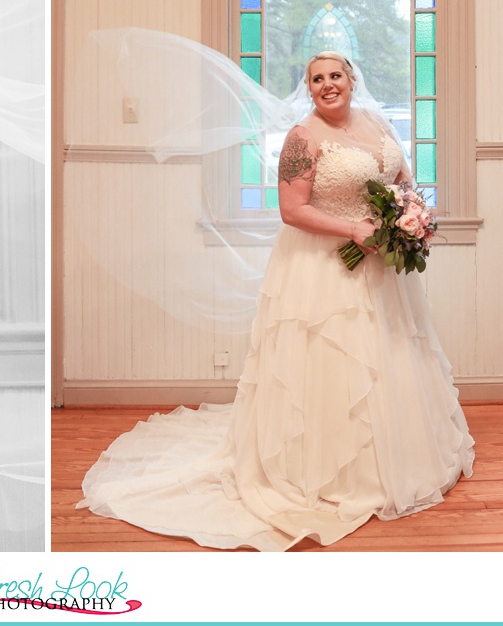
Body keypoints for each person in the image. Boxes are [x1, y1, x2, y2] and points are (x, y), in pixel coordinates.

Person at [78, 51, 475, 551]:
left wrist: (411, 215)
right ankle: (330, 473)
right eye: (316, 80)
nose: (327, 85)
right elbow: (292, 209)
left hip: (382, 271)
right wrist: (355, 228)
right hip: (322, 269)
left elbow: (403, 184)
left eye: (335, 76)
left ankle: (397, 462)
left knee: (389, 358)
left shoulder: (377, 124)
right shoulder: (302, 138)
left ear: (353, 80)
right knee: (329, 363)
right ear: (308, 88)